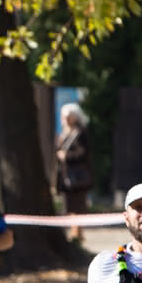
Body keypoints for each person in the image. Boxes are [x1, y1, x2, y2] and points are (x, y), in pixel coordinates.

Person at [55, 103, 92, 243]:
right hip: (65, 176)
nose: (64, 119)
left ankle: (77, 234)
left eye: (67, 116)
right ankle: (74, 232)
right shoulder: (64, 133)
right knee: (69, 205)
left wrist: (67, 156)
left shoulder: (80, 133)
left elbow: (84, 154)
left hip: (78, 178)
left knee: (78, 206)